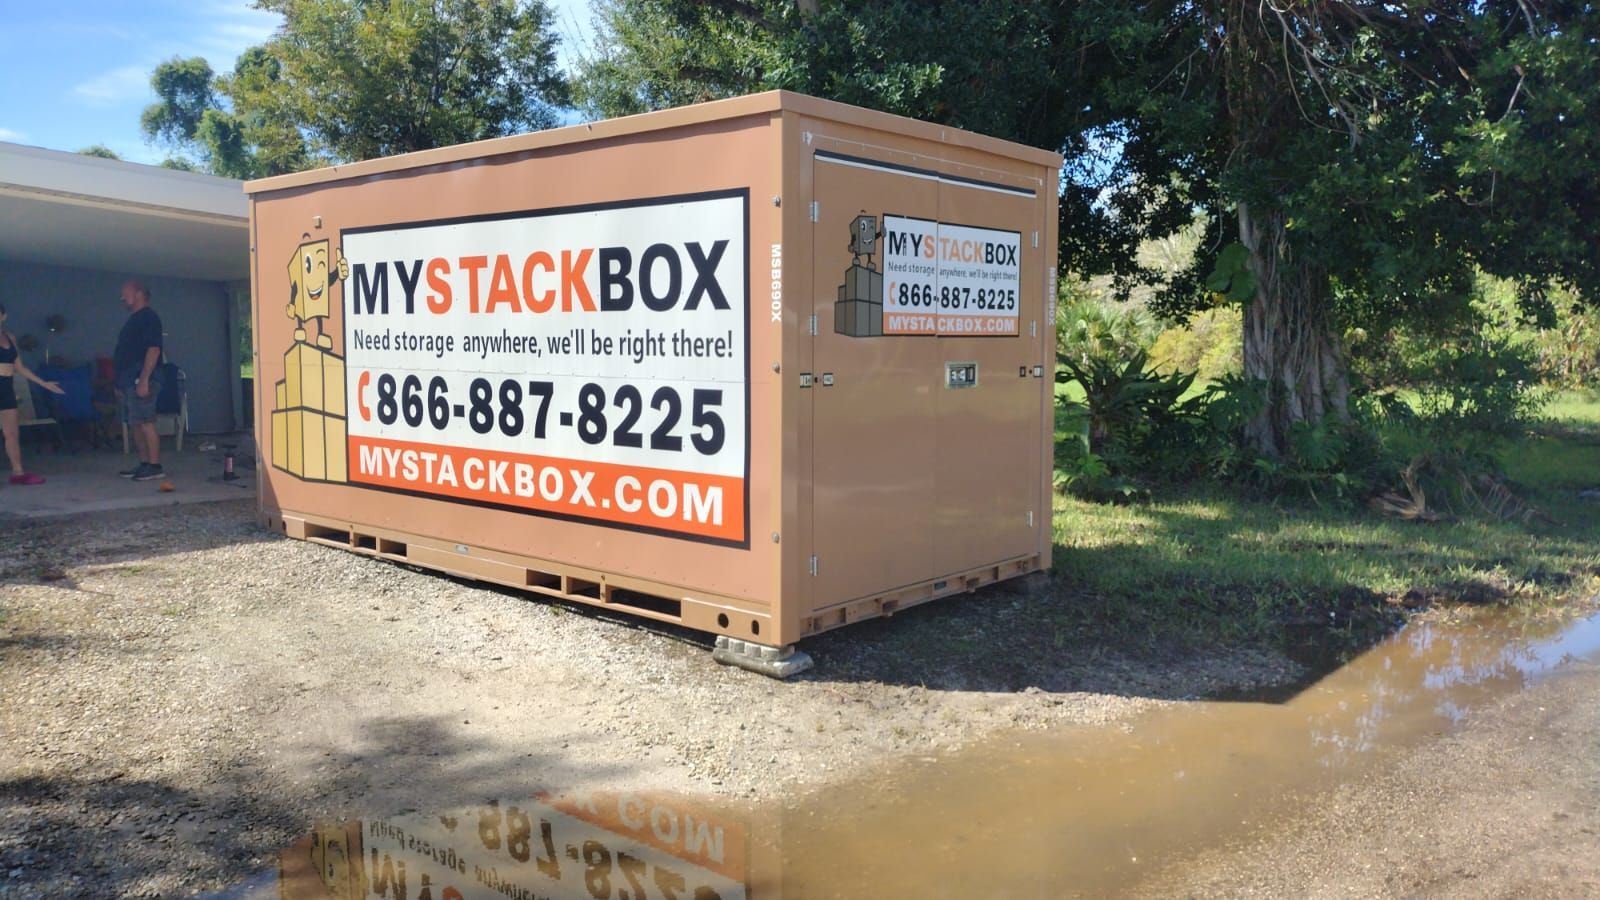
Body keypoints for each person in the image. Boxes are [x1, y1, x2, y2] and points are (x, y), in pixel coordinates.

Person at [0, 302, 65, 485]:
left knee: (11, 433)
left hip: (5, 387)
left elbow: (20, 367)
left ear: (3, 316)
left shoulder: (10, 337)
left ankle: (18, 472)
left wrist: (43, 383)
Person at [114, 280, 166, 481]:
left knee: (145, 421)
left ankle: (155, 465)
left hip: (142, 378)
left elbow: (153, 349)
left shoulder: (149, 318)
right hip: (128, 380)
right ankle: (144, 463)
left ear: (138, 294)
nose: (121, 298)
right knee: (135, 422)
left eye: (125, 293)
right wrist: (119, 384)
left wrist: (144, 379)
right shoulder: (133, 319)